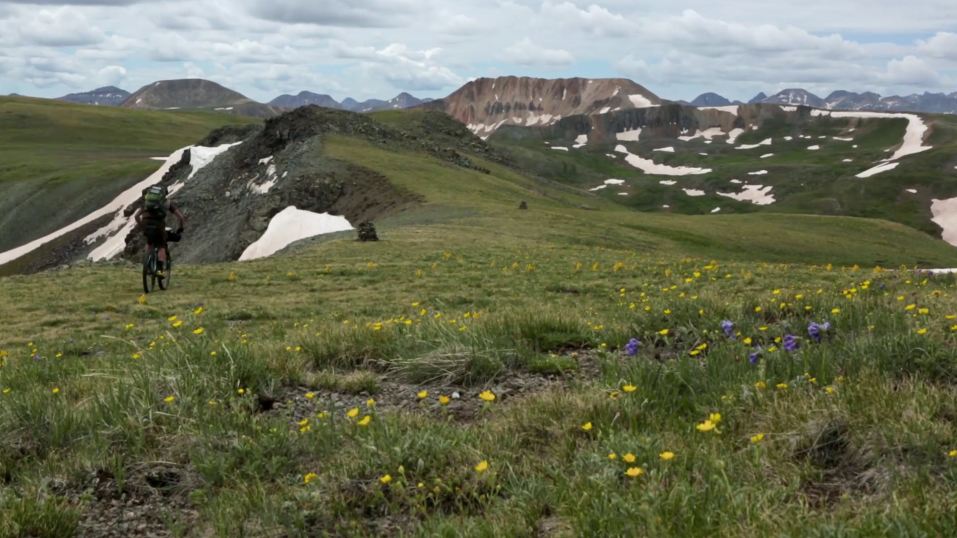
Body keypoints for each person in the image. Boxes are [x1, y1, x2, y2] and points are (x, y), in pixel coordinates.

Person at [134, 185, 185, 276]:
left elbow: (136, 216)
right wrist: (180, 228)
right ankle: (160, 271)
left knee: (149, 242)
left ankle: (147, 263)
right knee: (161, 246)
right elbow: (180, 217)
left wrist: (142, 226)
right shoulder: (167, 203)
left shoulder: (147, 202)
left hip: (146, 223)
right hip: (158, 225)